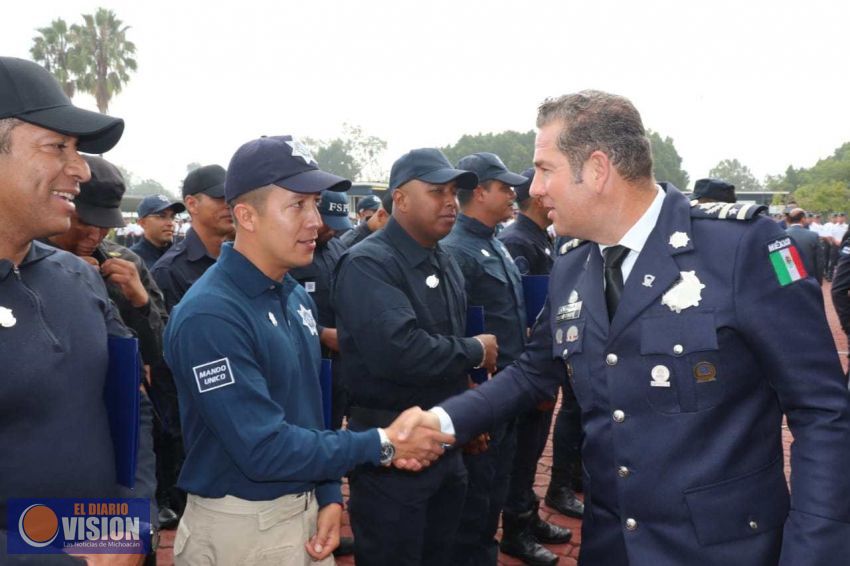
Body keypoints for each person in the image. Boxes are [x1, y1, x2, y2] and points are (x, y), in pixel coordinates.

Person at [403, 90, 850, 565]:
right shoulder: (572, 263)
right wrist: (443, 421)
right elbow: (534, 372)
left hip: (722, 548)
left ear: (597, 169)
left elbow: (821, 412)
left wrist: (814, 551)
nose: (533, 189)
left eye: (545, 169)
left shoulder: (741, 248)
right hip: (611, 544)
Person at [163, 135, 452, 566]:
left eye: (315, 203)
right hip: (242, 527)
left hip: (303, 510)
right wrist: (383, 444)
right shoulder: (211, 315)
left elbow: (308, 413)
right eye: (297, 205)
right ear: (246, 215)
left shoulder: (293, 295)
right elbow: (262, 448)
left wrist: (329, 493)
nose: (315, 220)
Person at [0, 55, 153, 565]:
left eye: (79, 151)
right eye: (57, 147)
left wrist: (129, 527)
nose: (81, 169)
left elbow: (133, 407)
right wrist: (63, 559)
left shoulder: (81, 277)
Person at [332, 148, 499, 566]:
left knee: (440, 553)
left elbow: (445, 339)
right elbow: (399, 352)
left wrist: (466, 414)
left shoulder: (444, 259)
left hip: (444, 441)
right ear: (400, 200)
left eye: (453, 193)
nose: (450, 202)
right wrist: (475, 350)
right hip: (393, 449)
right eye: (437, 191)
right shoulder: (369, 263)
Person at [442, 153, 571, 566]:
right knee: (476, 503)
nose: (515, 194)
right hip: (486, 391)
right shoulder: (457, 251)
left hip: (511, 387)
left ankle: (502, 540)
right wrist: (467, 391)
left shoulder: (493, 243)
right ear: (479, 192)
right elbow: (452, 328)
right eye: (504, 187)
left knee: (500, 485)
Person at [497, 168, 584, 565]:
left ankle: (527, 515)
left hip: (543, 363)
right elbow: (529, 315)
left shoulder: (537, 238)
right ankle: (517, 526)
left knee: (531, 449)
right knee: (522, 452)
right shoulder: (519, 240)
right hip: (528, 366)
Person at [289, 189, 353, 429]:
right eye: (329, 224)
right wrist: (323, 333)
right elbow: (281, 304)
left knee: (334, 419)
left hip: (340, 359)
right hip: (306, 357)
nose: (333, 230)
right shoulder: (293, 252)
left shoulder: (338, 249)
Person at [151, 164, 234, 312]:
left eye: (232, 197)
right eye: (220, 197)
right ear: (192, 204)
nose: (229, 204)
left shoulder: (242, 258)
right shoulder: (170, 271)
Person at [131, 194, 186, 269]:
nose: (170, 223)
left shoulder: (181, 255)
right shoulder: (132, 260)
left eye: (172, 217)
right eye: (162, 216)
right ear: (142, 223)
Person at [785, 208, 822, 285]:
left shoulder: (782, 235)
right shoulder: (813, 235)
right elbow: (819, 261)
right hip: (809, 278)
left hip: (789, 279)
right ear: (802, 219)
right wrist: (819, 281)